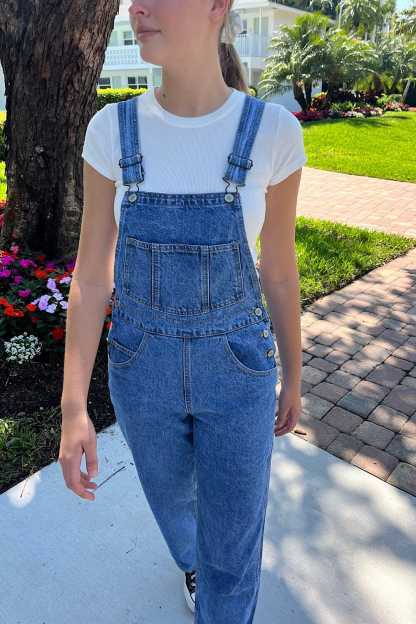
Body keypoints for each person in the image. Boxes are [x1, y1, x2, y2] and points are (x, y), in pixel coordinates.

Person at [59, 1, 306, 622]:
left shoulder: (273, 133)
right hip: (141, 370)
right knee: (174, 509)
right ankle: (193, 560)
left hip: (239, 371)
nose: (136, 7)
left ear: (217, 5)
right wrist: (72, 407)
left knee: (234, 546)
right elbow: (92, 274)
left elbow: (278, 269)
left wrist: (294, 376)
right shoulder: (112, 132)